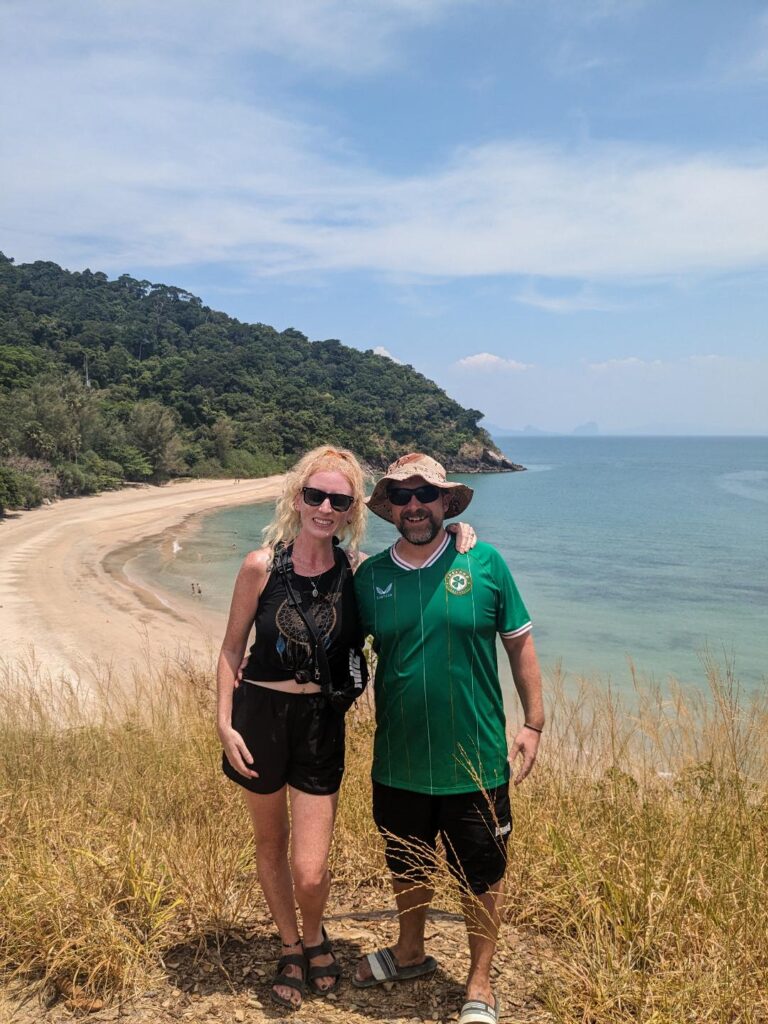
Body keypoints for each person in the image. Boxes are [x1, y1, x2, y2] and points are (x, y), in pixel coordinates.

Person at [216, 446, 476, 1011]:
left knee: (310, 869)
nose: (326, 507)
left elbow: (413, 567)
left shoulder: (357, 572)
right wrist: (223, 723)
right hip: (258, 715)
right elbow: (231, 649)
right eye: (316, 496)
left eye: (339, 499)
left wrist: (457, 539)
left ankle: (315, 932)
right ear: (298, 499)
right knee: (269, 844)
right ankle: (294, 945)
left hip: (320, 723)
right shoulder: (261, 566)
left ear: (353, 509)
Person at [352, 453, 544, 1024]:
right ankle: (410, 952)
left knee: (481, 873)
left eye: (425, 495)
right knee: (407, 864)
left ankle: (479, 981)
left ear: (445, 503)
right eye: (402, 497)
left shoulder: (483, 562)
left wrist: (533, 722)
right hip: (399, 757)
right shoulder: (371, 577)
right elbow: (335, 637)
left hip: (477, 758)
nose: (414, 506)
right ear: (391, 509)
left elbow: (519, 643)